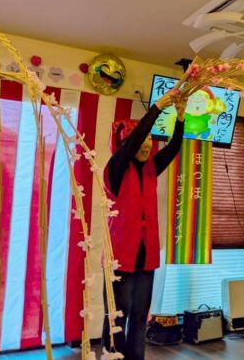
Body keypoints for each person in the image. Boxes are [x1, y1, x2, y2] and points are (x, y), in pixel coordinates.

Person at [102, 91, 187, 360]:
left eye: (150, 139)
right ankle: (113, 357)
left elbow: (172, 148)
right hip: (120, 257)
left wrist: (180, 119)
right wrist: (157, 107)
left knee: (140, 315)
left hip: (146, 256)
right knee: (117, 316)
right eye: (141, 139)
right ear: (127, 144)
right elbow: (133, 142)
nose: (147, 144)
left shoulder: (151, 168)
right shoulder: (116, 168)